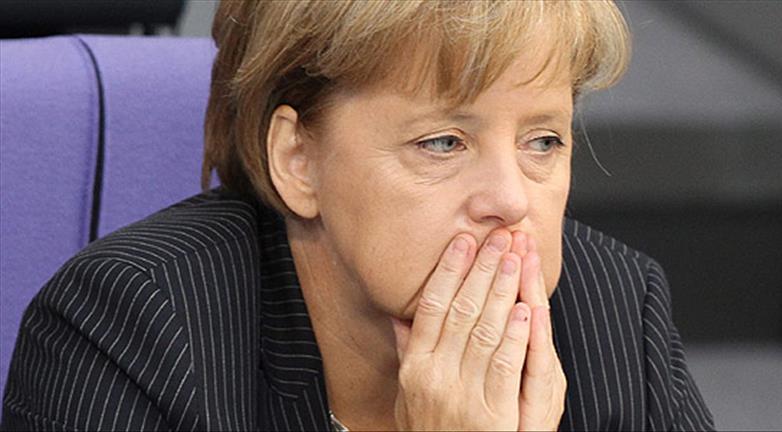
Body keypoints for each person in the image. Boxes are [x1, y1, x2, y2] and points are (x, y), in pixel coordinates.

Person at [1, 1, 714, 430]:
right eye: (443, 142)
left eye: (543, 142)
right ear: (298, 160)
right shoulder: (129, 326)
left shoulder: (615, 310)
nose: (511, 201)